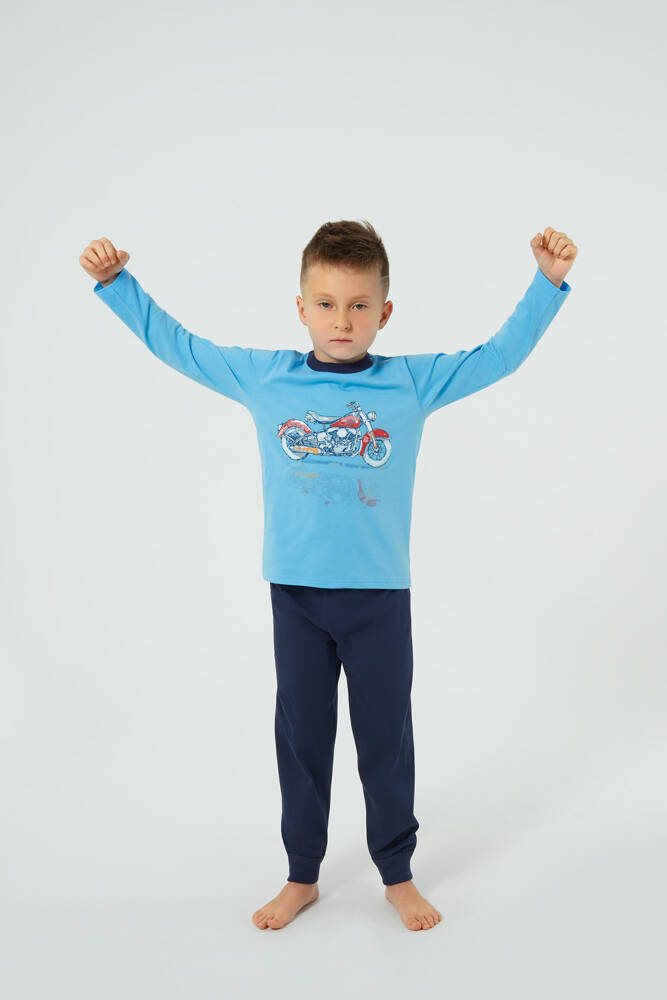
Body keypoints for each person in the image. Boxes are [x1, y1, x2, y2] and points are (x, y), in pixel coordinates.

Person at [79, 220, 577, 931]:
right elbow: (180, 347)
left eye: (358, 305)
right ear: (300, 307)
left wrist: (547, 283)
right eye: (325, 303)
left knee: (384, 739)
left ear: (384, 312)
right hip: (297, 598)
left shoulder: (409, 382)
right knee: (302, 739)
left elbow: (497, 356)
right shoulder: (266, 377)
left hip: (378, 601)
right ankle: (301, 875)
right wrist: (116, 284)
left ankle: (397, 873)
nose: (341, 320)